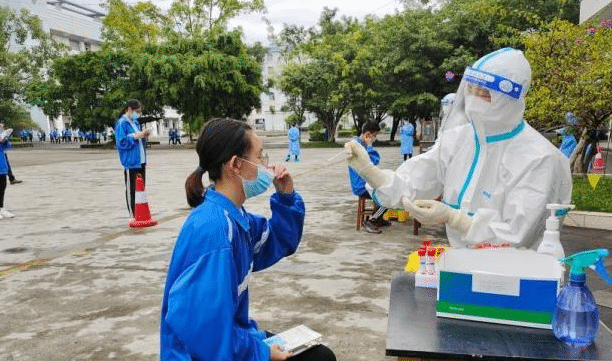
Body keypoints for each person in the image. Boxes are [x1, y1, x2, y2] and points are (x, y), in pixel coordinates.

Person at [345, 48, 572, 249]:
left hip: (516, 280)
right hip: (462, 266)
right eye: (471, 90)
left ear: (510, 98)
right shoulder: (460, 140)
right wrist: (370, 172)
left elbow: (518, 235)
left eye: (484, 93)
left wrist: (457, 220)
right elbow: (415, 181)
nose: (474, 99)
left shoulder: (538, 157)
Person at [160, 118, 336, 361]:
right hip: (205, 352)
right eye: (259, 156)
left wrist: (286, 198)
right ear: (236, 165)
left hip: (231, 338)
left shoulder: (234, 216)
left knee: (319, 355)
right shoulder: (214, 231)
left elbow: (277, 241)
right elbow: (206, 334)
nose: (266, 165)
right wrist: (261, 352)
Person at [348, 121, 389, 234]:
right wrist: (370, 146)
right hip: (362, 185)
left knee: (387, 186)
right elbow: (374, 161)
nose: (375, 138)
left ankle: (379, 217)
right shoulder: (358, 146)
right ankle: (372, 220)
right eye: (374, 135)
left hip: (366, 182)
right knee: (388, 194)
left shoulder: (359, 143)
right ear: (368, 134)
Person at [114, 99, 150, 217]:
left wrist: (143, 135)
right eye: (137, 111)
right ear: (129, 109)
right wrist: (135, 136)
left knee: (141, 188)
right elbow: (121, 142)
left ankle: (141, 211)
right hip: (131, 162)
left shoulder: (135, 123)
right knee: (132, 189)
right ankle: (133, 213)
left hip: (141, 160)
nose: (138, 114)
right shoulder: (122, 123)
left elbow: (138, 138)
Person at [0, 125, 15, 219]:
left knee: (2, 188)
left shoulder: (1, 131)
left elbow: (6, 147)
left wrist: (5, 139)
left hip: (1, 165)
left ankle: (1, 208)